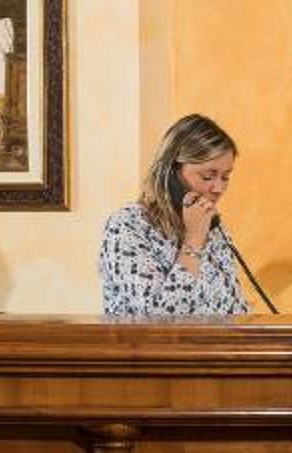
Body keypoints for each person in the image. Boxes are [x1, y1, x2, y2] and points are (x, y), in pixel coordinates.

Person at [98, 114, 249, 317]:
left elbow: (234, 309)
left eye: (226, 177)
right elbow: (159, 318)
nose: (219, 188)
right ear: (171, 171)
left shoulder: (212, 228)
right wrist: (193, 241)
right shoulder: (127, 226)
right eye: (207, 176)